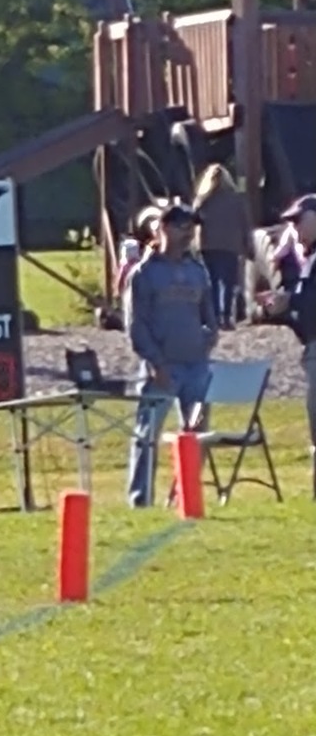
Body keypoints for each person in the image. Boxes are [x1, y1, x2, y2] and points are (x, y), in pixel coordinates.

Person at [125, 201, 218, 507]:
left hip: (196, 366)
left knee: (196, 436)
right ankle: (141, 500)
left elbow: (209, 315)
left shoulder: (197, 270)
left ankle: (182, 497)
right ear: (163, 228)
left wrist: (209, 338)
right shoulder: (144, 274)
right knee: (147, 435)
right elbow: (136, 326)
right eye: (181, 226)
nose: (188, 233)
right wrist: (156, 362)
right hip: (161, 369)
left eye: (192, 226)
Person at [254, 194, 316, 494]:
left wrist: (291, 301)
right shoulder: (306, 261)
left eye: (298, 221)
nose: (293, 229)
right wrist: (279, 310)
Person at [193, 164, 253, 330]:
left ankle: (213, 318)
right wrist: (248, 243)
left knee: (210, 282)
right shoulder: (236, 198)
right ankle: (226, 317)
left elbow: (194, 219)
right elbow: (245, 222)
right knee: (228, 283)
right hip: (230, 245)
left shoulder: (203, 199)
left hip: (208, 245)